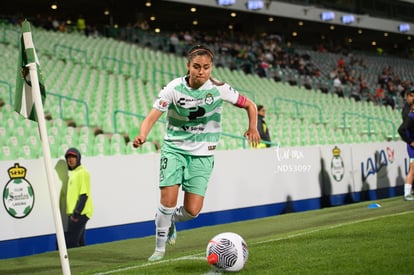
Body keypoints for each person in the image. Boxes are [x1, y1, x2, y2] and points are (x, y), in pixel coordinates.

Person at [132, 45, 260, 261]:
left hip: (203, 154)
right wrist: (143, 135)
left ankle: (170, 219)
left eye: (206, 67)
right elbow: (151, 117)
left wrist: (253, 127)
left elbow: (250, 105)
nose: (201, 72)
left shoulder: (220, 88)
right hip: (174, 150)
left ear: (211, 68)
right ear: (188, 66)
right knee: (167, 202)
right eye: (197, 67)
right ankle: (159, 250)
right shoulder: (173, 88)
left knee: (193, 211)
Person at [64, 147, 94, 247]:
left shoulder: (83, 173)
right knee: (80, 242)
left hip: (79, 214)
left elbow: (84, 195)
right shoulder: (73, 173)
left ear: (78, 158)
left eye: (73, 157)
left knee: (71, 242)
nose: (70, 159)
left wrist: (76, 214)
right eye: (68, 157)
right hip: (74, 214)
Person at [397, 88, 414, 201]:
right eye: (411, 95)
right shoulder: (409, 114)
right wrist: (410, 141)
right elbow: (402, 129)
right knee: (413, 169)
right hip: (412, 145)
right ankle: (407, 193)